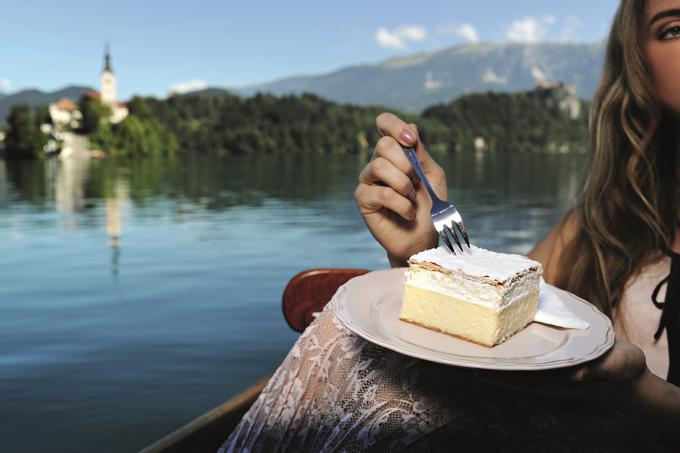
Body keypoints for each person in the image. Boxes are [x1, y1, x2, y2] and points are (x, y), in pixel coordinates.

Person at [219, 0, 680, 450]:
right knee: (352, 338)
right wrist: (421, 251)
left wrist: (639, 392)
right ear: (638, 66)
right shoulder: (602, 221)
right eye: (674, 28)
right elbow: (502, 316)